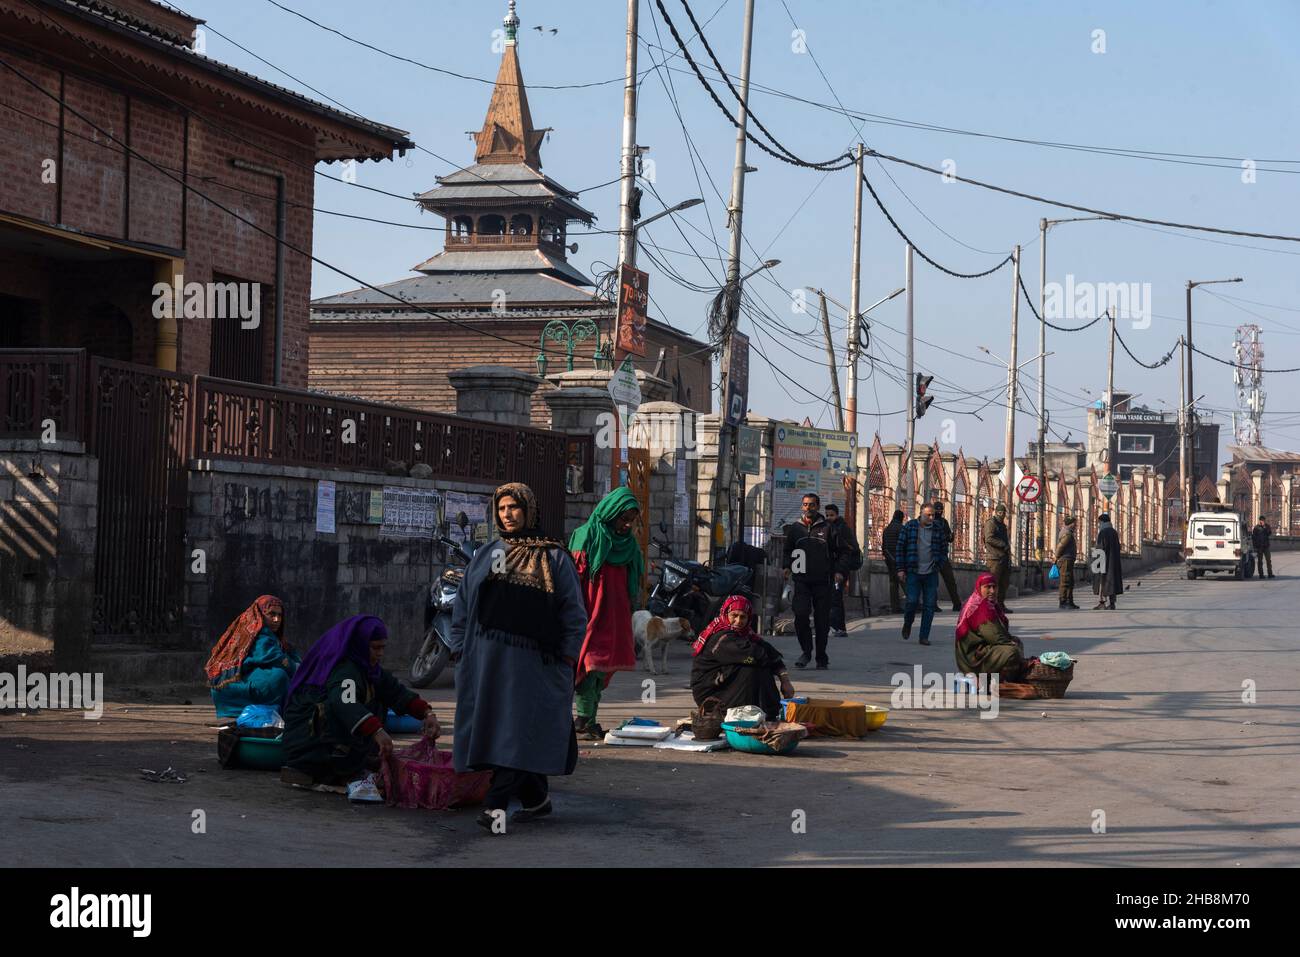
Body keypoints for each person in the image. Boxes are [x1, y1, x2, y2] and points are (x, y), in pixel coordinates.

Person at [448, 483, 587, 830]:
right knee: (500, 731)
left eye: (514, 508)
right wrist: (459, 647)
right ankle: (535, 798)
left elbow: (573, 613)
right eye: (501, 509)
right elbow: (464, 604)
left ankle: (495, 805)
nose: (507, 515)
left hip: (533, 668)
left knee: (517, 730)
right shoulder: (486, 553)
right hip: (485, 665)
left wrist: (568, 657)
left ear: (529, 509)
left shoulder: (554, 556)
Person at [280, 615, 438, 789]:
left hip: (325, 741)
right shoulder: (345, 669)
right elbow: (344, 703)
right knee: (346, 710)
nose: (380, 653)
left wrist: (426, 713)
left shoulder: (370, 670)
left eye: (382, 647)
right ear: (361, 645)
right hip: (308, 747)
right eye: (375, 648)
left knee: (377, 699)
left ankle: (353, 761)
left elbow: (395, 691)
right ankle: (339, 766)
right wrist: (376, 731)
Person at [568, 486, 643, 740]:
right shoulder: (586, 536)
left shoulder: (629, 544)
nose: (626, 526)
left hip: (616, 612)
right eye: (623, 519)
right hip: (589, 610)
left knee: (602, 669)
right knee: (589, 663)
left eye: (631, 521)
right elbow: (573, 578)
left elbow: (632, 581)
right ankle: (584, 718)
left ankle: (588, 719)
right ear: (611, 513)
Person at [690, 595, 794, 720]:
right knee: (750, 668)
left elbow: (768, 651)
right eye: (734, 615)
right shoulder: (722, 638)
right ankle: (754, 713)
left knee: (756, 664)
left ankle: (766, 711)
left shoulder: (747, 634)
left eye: (743, 617)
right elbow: (756, 654)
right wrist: (768, 660)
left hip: (726, 682)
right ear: (725, 614)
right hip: (711, 691)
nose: (738, 621)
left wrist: (785, 680)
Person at [205, 595, 301, 718]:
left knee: (286, 674)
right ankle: (250, 710)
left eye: (280, 615)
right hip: (229, 687)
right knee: (279, 676)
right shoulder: (257, 635)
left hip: (245, 680)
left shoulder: (274, 637)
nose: (277, 619)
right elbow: (278, 658)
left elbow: (290, 654)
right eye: (271, 614)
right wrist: (299, 668)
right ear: (260, 615)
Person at [782, 492, 840, 669]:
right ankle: (806, 652)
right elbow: (788, 550)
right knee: (800, 616)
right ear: (802, 506)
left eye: (812, 505)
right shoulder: (795, 529)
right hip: (801, 581)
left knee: (822, 621)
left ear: (818, 506)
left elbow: (842, 552)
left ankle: (821, 656)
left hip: (823, 582)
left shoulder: (828, 529)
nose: (808, 508)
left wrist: (839, 571)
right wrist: (787, 566)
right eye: (806, 505)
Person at [954, 573, 1026, 680]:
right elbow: (993, 635)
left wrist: (1011, 640)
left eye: (994, 587)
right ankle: (994, 679)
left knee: (1016, 643)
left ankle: (1003, 677)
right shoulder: (980, 607)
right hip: (972, 659)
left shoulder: (989, 604)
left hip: (981, 649)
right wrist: (1009, 643)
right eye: (987, 587)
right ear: (979, 588)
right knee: (1012, 652)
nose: (992, 591)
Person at [895, 503, 949, 646]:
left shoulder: (938, 529)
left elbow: (944, 549)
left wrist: (939, 564)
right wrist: (900, 569)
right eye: (928, 515)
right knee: (912, 601)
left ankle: (924, 636)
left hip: (931, 572)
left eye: (933, 515)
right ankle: (908, 622)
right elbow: (900, 548)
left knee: (929, 605)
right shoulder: (910, 526)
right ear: (921, 514)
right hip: (913, 571)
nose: (931, 517)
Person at [823, 504, 861, 636]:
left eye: (831, 515)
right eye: (827, 515)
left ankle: (836, 627)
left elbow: (852, 549)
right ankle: (839, 627)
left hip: (840, 569)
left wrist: (840, 569)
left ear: (837, 515)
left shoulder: (843, 528)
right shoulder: (827, 528)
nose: (829, 518)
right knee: (833, 597)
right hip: (832, 568)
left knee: (835, 597)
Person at [930, 501, 963, 613]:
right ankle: (932, 604)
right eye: (937, 509)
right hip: (933, 555)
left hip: (943, 555)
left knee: (950, 580)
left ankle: (957, 604)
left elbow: (949, 537)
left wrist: (951, 537)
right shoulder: (931, 521)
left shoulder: (944, 522)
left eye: (940, 509)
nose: (939, 511)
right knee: (933, 582)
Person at [982, 502, 1013, 613]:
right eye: (1000, 512)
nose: (1002, 514)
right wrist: (1002, 544)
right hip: (994, 558)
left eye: (1003, 513)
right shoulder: (991, 523)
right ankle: (990, 606)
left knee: (1004, 583)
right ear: (996, 512)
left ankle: (1000, 605)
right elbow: (989, 538)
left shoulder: (1002, 525)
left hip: (1003, 557)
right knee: (992, 584)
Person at [1092, 512, 1124, 610]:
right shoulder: (1114, 532)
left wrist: (1095, 561)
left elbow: (1100, 548)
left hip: (1103, 561)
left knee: (1102, 581)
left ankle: (1102, 602)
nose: (1098, 524)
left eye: (1099, 522)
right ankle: (1112, 603)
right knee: (1112, 582)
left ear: (1102, 521)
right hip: (1113, 562)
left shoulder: (1103, 532)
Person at [881, 509, 905, 614]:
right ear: (901, 518)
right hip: (899, 559)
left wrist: (888, 557)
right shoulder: (901, 528)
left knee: (893, 583)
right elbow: (904, 545)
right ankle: (914, 604)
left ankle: (895, 607)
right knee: (904, 582)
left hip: (889, 559)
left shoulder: (886, 529)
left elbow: (884, 546)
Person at [1055, 514, 1080, 609]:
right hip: (1065, 559)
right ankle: (1063, 601)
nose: (1076, 525)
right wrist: (1056, 557)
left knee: (1070, 581)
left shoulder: (1067, 532)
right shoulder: (1067, 534)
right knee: (1065, 581)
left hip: (1068, 559)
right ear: (1070, 524)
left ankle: (1070, 601)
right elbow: (1061, 546)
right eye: (1074, 523)